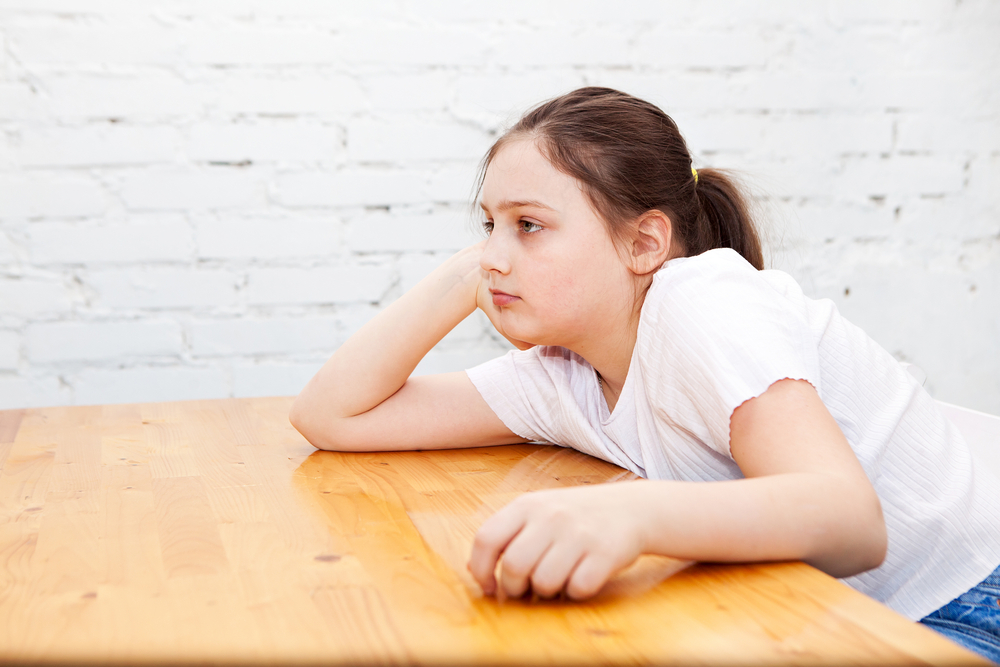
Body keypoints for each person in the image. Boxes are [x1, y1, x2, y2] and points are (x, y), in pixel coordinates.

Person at [290, 87, 1000, 662]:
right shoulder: (563, 371)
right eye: (488, 226)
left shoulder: (704, 302)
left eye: (530, 225)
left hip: (965, 603)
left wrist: (631, 515)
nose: (495, 257)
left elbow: (851, 521)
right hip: (839, 610)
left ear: (644, 243)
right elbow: (333, 415)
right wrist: (463, 274)